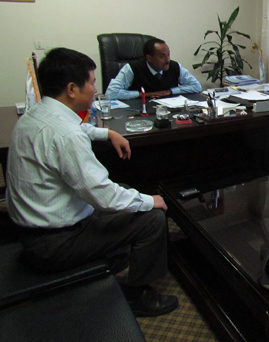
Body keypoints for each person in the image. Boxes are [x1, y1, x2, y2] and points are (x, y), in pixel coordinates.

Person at [6, 48, 178, 317]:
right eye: (92, 82)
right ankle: (137, 295)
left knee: (127, 196)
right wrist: (150, 200)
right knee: (151, 217)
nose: (96, 89)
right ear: (72, 89)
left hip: (31, 233)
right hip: (55, 244)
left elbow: (76, 128)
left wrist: (106, 132)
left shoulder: (35, 115)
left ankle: (113, 259)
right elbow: (103, 194)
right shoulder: (67, 136)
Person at [106, 38, 201, 99]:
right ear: (149, 58)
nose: (167, 60)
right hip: (139, 112)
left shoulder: (174, 66)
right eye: (162, 56)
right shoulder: (132, 68)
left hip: (169, 111)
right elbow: (110, 93)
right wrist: (143, 94)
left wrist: (171, 91)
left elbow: (196, 86)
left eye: (168, 55)